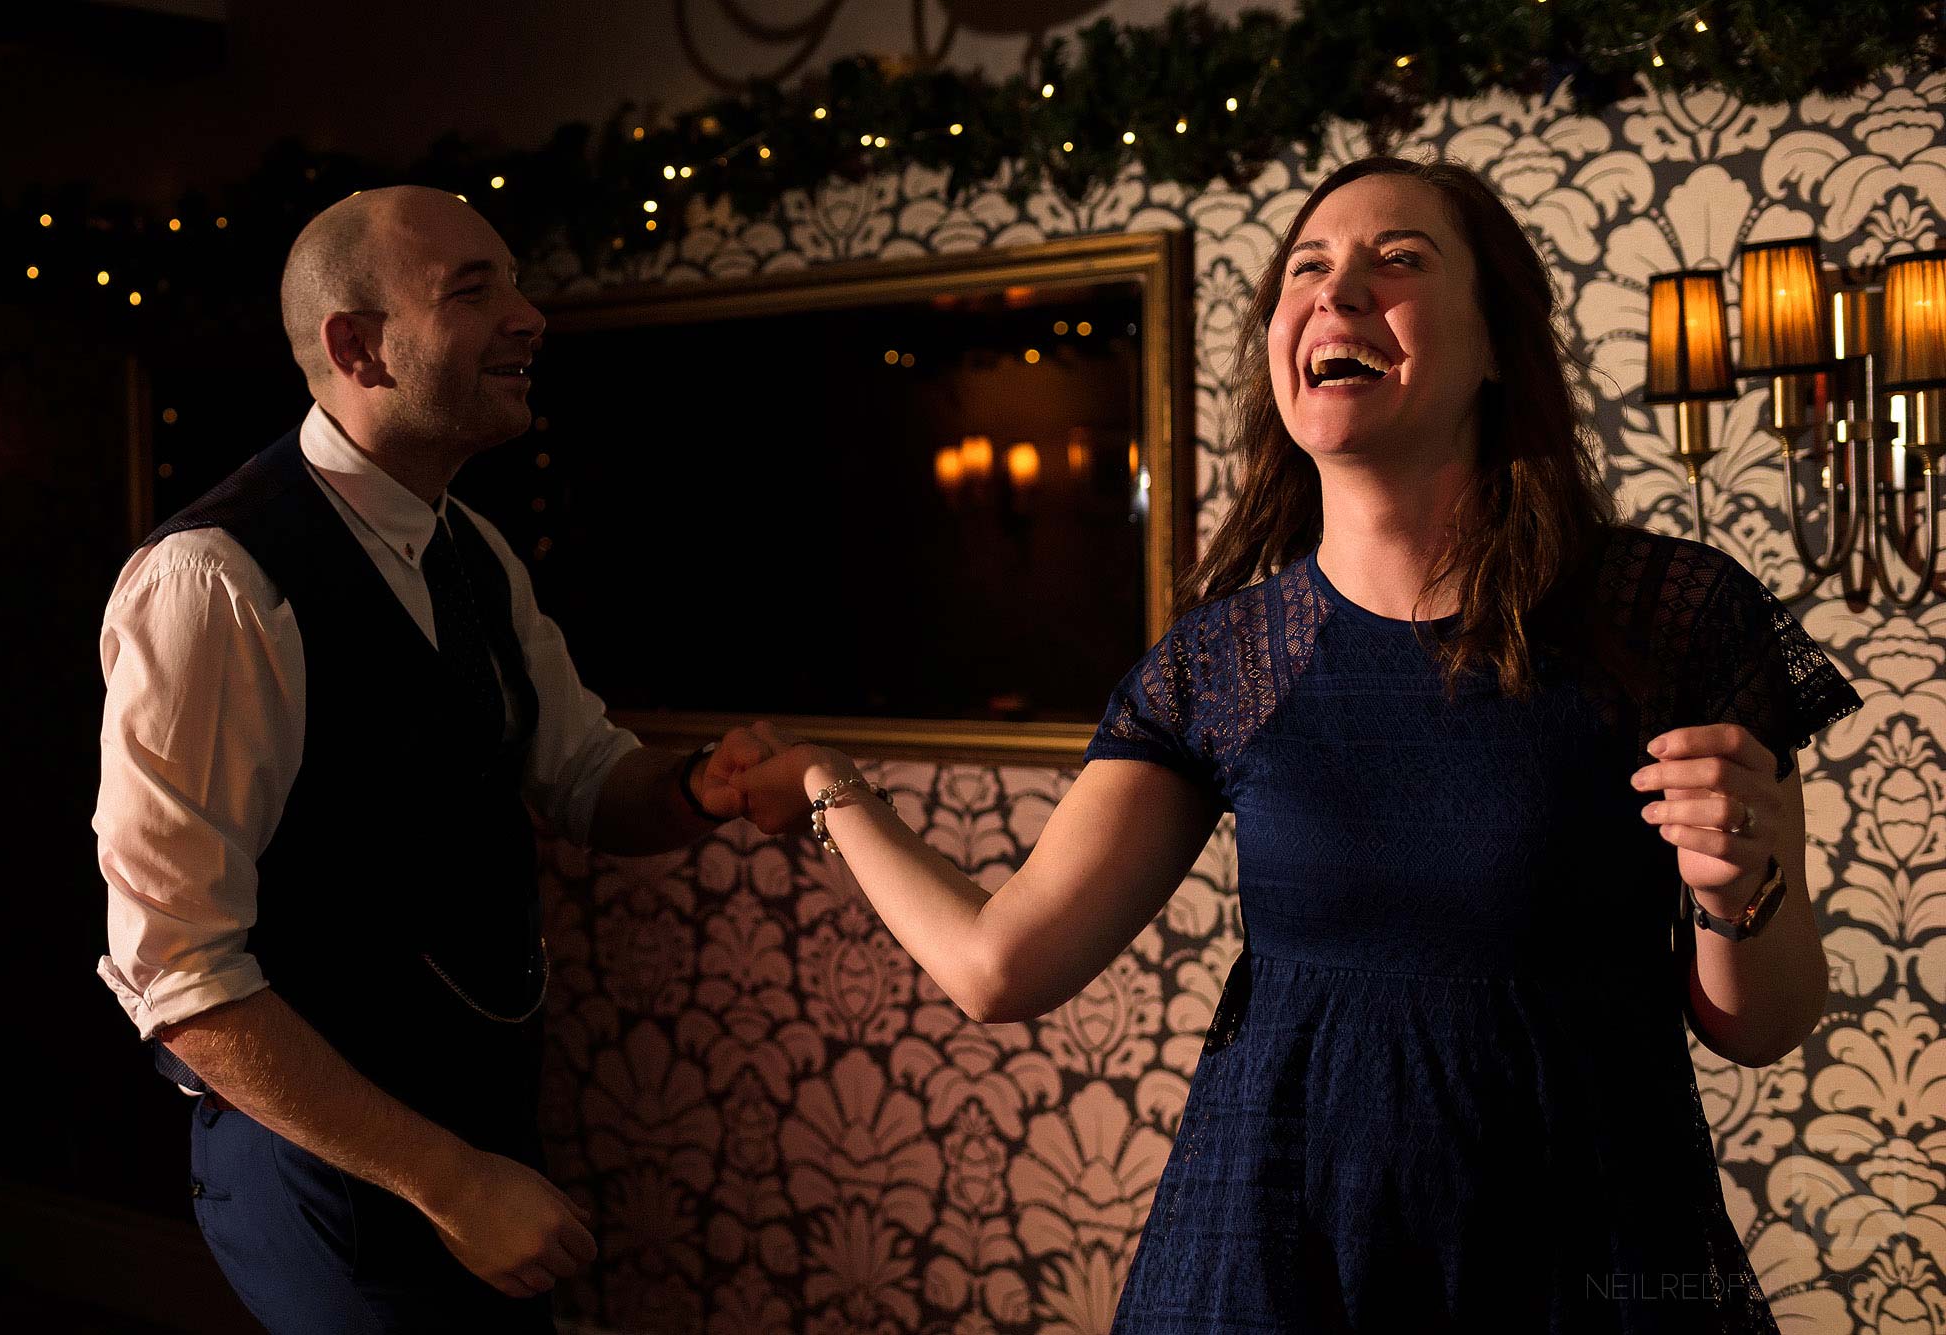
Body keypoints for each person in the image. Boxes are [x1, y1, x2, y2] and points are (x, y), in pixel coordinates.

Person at [731, 156, 1861, 1331]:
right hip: (1276, 1266)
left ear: (1492, 350)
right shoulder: (1222, 664)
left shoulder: (1663, 614)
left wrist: (1740, 890)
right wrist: (828, 784)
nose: (1336, 293)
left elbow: (1758, 1026)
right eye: (1305, 270)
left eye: (1400, 262)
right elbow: (998, 966)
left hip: (1585, 1252)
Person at [94, 185, 802, 1333]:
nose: (529, 317)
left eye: (515, 282)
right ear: (355, 345)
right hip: (324, 1175)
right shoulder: (215, 581)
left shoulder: (470, 548)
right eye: (475, 292)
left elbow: (581, 779)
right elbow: (178, 978)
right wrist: (448, 1180)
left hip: (477, 1141)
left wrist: (694, 790)